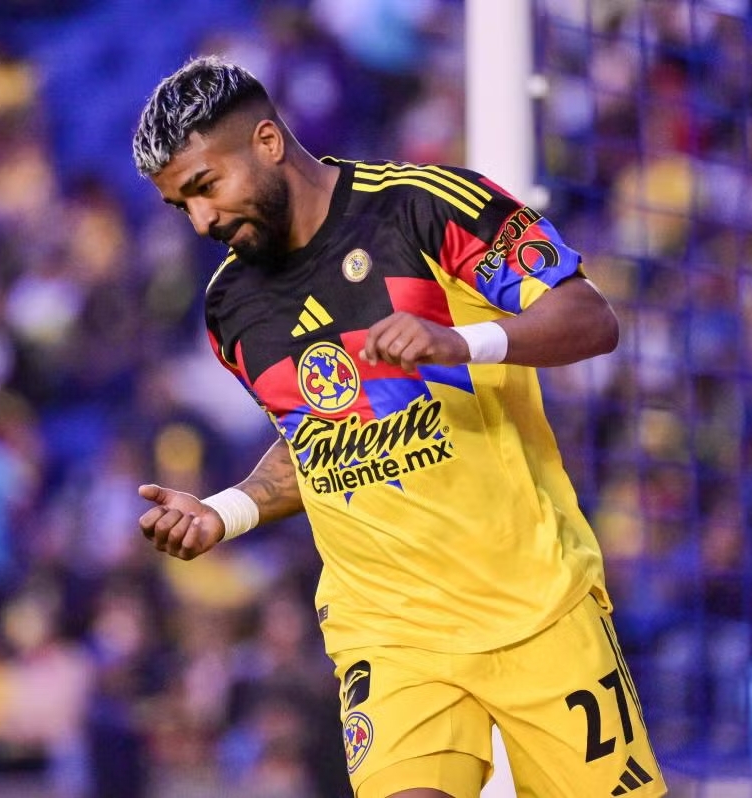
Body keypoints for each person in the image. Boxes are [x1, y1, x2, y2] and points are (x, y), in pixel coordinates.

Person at [132, 55, 665, 798]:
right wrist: (226, 512)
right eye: (179, 206)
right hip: (388, 633)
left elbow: (590, 317)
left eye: (204, 187)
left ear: (267, 142)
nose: (200, 221)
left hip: (535, 605)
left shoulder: (426, 208)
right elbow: (317, 440)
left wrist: (461, 343)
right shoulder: (232, 310)